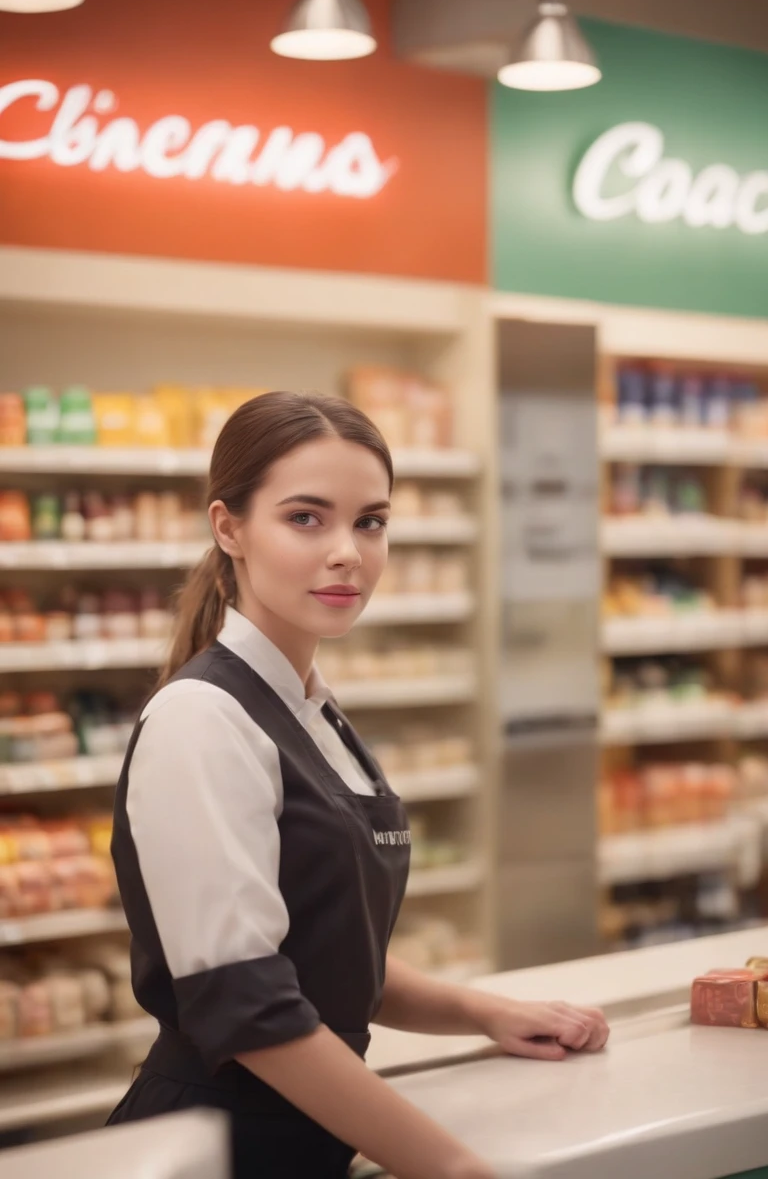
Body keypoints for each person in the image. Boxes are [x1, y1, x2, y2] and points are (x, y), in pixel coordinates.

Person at [106, 391, 609, 1179]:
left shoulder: (312, 709)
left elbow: (319, 959)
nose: (348, 551)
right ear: (228, 527)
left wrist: (485, 1012)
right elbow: (252, 1009)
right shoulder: (202, 719)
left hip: (304, 1139)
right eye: (306, 518)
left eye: (369, 521)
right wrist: (449, 1166)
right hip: (220, 1146)